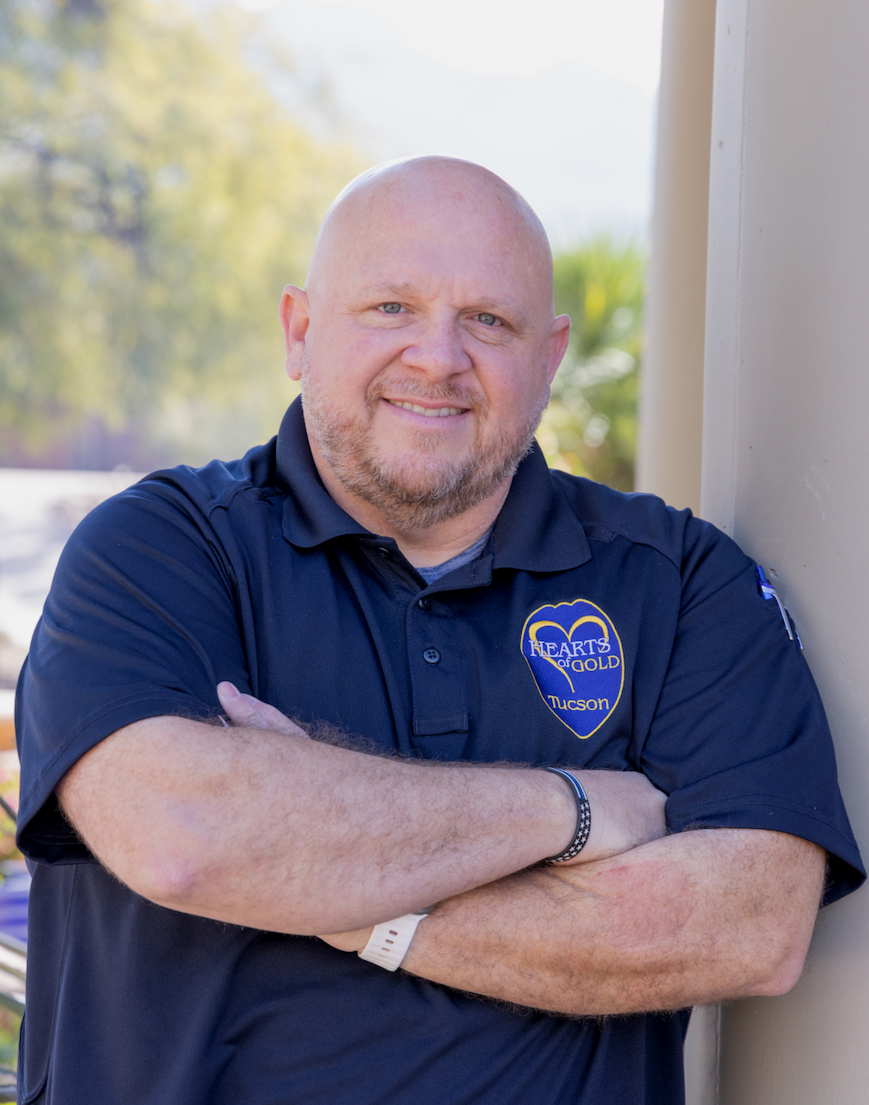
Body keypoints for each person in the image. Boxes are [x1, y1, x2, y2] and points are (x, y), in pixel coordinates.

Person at [15, 156, 864, 1105]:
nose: (437, 358)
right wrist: (570, 808)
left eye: (487, 321)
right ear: (300, 331)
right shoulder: (161, 546)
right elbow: (185, 836)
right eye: (390, 308)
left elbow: (749, 924)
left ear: (548, 356)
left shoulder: (675, 580)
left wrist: (343, 899)